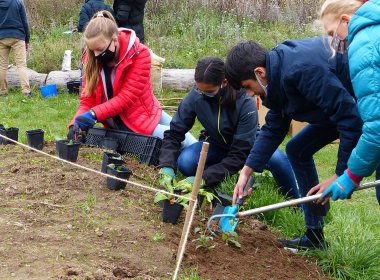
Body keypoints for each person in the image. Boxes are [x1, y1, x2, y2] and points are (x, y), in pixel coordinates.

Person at [225, 37, 363, 250]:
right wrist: (246, 172)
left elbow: (349, 119)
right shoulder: (277, 74)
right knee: (297, 149)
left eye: (247, 87)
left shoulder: (301, 70)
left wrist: (340, 174)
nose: (250, 94)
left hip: (366, 107)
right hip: (339, 111)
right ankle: (314, 235)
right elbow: (274, 127)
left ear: (259, 73)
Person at [158, 56, 299, 201]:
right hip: (218, 143)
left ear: (224, 82)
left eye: (209, 91)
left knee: (277, 159)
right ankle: (225, 170)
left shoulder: (244, 101)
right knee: (186, 162)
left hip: (248, 145)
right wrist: (166, 166)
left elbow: (239, 154)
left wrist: (205, 178)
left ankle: (296, 200)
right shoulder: (196, 95)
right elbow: (174, 133)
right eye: (199, 90)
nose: (202, 95)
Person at [68, 10, 195, 146]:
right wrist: (76, 124)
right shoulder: (91, 57)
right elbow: (87, 99)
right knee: (182, 143)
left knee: (189, 143)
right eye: (93, 50)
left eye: (100, 49)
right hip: (119, 125)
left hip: (141, 117)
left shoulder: (140, 54)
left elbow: (126, 97)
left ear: (114, 39)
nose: (96, 54)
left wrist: (93, 114)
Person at [308, 0, 380, 205]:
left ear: (346, 20)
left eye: (332, 33)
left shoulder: (364, 44)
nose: (333, 41)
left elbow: (377, 126)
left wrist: (352, 174)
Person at [0, 0, 31, 97]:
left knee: (2, 65)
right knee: (21, 65)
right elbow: (25, 22)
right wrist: (27, 39)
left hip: (1, 37)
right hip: (17, 37)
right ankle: (26, 92)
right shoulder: (18, 1)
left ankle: (2, 92)